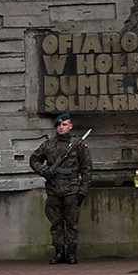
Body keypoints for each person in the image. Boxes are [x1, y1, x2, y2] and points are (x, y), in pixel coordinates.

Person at [30, 112, 92, 264]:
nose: (61, 127)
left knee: (72, 222)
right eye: (59, 125)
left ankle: (71, 252)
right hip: (54, 189)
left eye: (64, 125)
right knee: (56, 223)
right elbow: (34, 159)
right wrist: (44, 171)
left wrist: (83, 191)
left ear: (70, 126)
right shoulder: (48, 145)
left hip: (72, 189)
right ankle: (59, 252)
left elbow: (87, 169)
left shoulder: (78, 146)